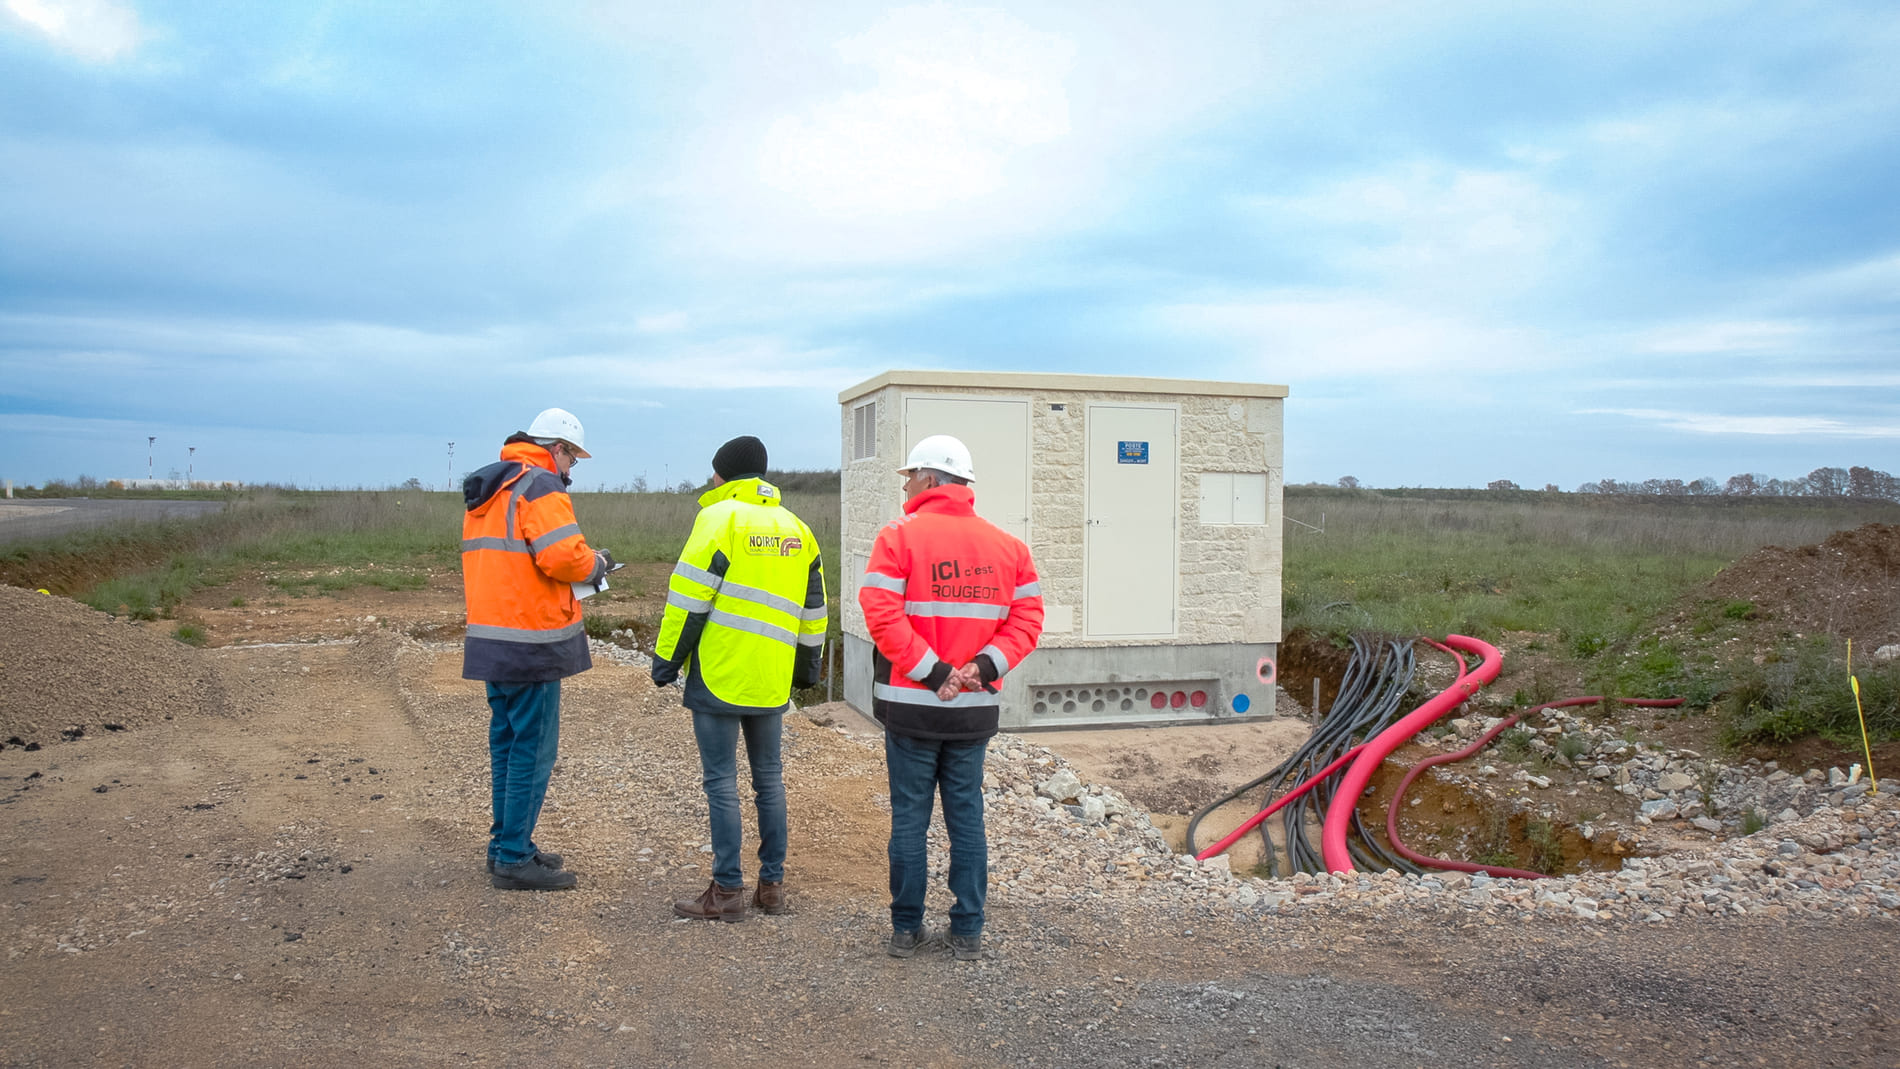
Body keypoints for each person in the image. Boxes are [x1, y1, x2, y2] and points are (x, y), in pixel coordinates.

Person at [859, 434, 1043, 960]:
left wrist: (934, 674)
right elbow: (1027, 621)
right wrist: (980, 669)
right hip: (972, 711)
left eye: (909, 477)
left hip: (911, 707)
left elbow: (881, 615)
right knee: (966, 820)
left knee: (909, 820)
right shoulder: (1009, 548)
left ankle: (906, 930)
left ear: (930, 478)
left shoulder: (898, 537)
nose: (906, 487)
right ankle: (967, 932)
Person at [653, 435, 827, 922]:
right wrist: (807, 670)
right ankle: (771, 887)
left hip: (721, 672)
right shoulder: (798, 528)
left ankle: (727, 890)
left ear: (722, 474)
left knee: (721, 781)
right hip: (770, 678)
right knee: (769, 779)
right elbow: (815, 609)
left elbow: (688, 598)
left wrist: (666, 662)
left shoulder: (719, 519)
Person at [462, 407, 614, 891]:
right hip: (531, 641)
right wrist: (597, 564)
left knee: (508, 747)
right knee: (531, 751)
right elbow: (564, 557)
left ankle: (507, 845)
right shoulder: (540, 484)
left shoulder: (495, 487)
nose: (571, 469)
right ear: (557, 449)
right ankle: (513, 858)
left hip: (493, 638)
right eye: (572, 459)